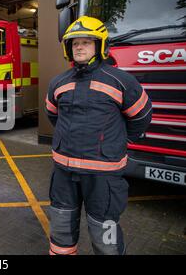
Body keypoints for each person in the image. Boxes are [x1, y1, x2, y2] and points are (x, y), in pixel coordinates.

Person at [45, 16, 153, 255]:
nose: (80, 47)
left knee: (106, 236)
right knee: (61, 231)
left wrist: (120, 142)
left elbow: (141, 117)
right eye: (75, 43)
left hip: (103, 178)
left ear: (101, 46)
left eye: (86, 42)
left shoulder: (122, 81)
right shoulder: (58, 82)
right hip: (64, 174)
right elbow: (53, 115)